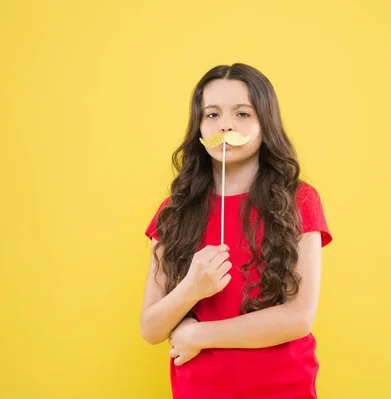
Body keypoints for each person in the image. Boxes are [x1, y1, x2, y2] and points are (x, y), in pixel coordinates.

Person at [140, 63, 333, 399]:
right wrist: (191, 288)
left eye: (242, 114)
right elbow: (151, 328)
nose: (225, 124)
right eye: (212, 115)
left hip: (285, 388)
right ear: (199, 127)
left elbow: (298, 317)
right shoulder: (174, 212)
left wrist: (201, 335)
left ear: (264, 123)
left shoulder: (299, 200)